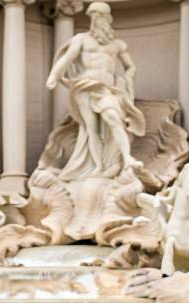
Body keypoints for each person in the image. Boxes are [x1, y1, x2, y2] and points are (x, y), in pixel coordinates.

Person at [45, 1, 145, 180]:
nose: (96, 19)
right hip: (85, 87)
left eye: (99, 15)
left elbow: (130, 66)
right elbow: (67, 59)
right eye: (93, 16)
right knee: (91, 128)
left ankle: (127, 159)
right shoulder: (81, 39)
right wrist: (54, 75)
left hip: (107, 90)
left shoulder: (118, 45)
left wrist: (126, 79)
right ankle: (97, 166)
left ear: (108, 18)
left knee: (114, 118)